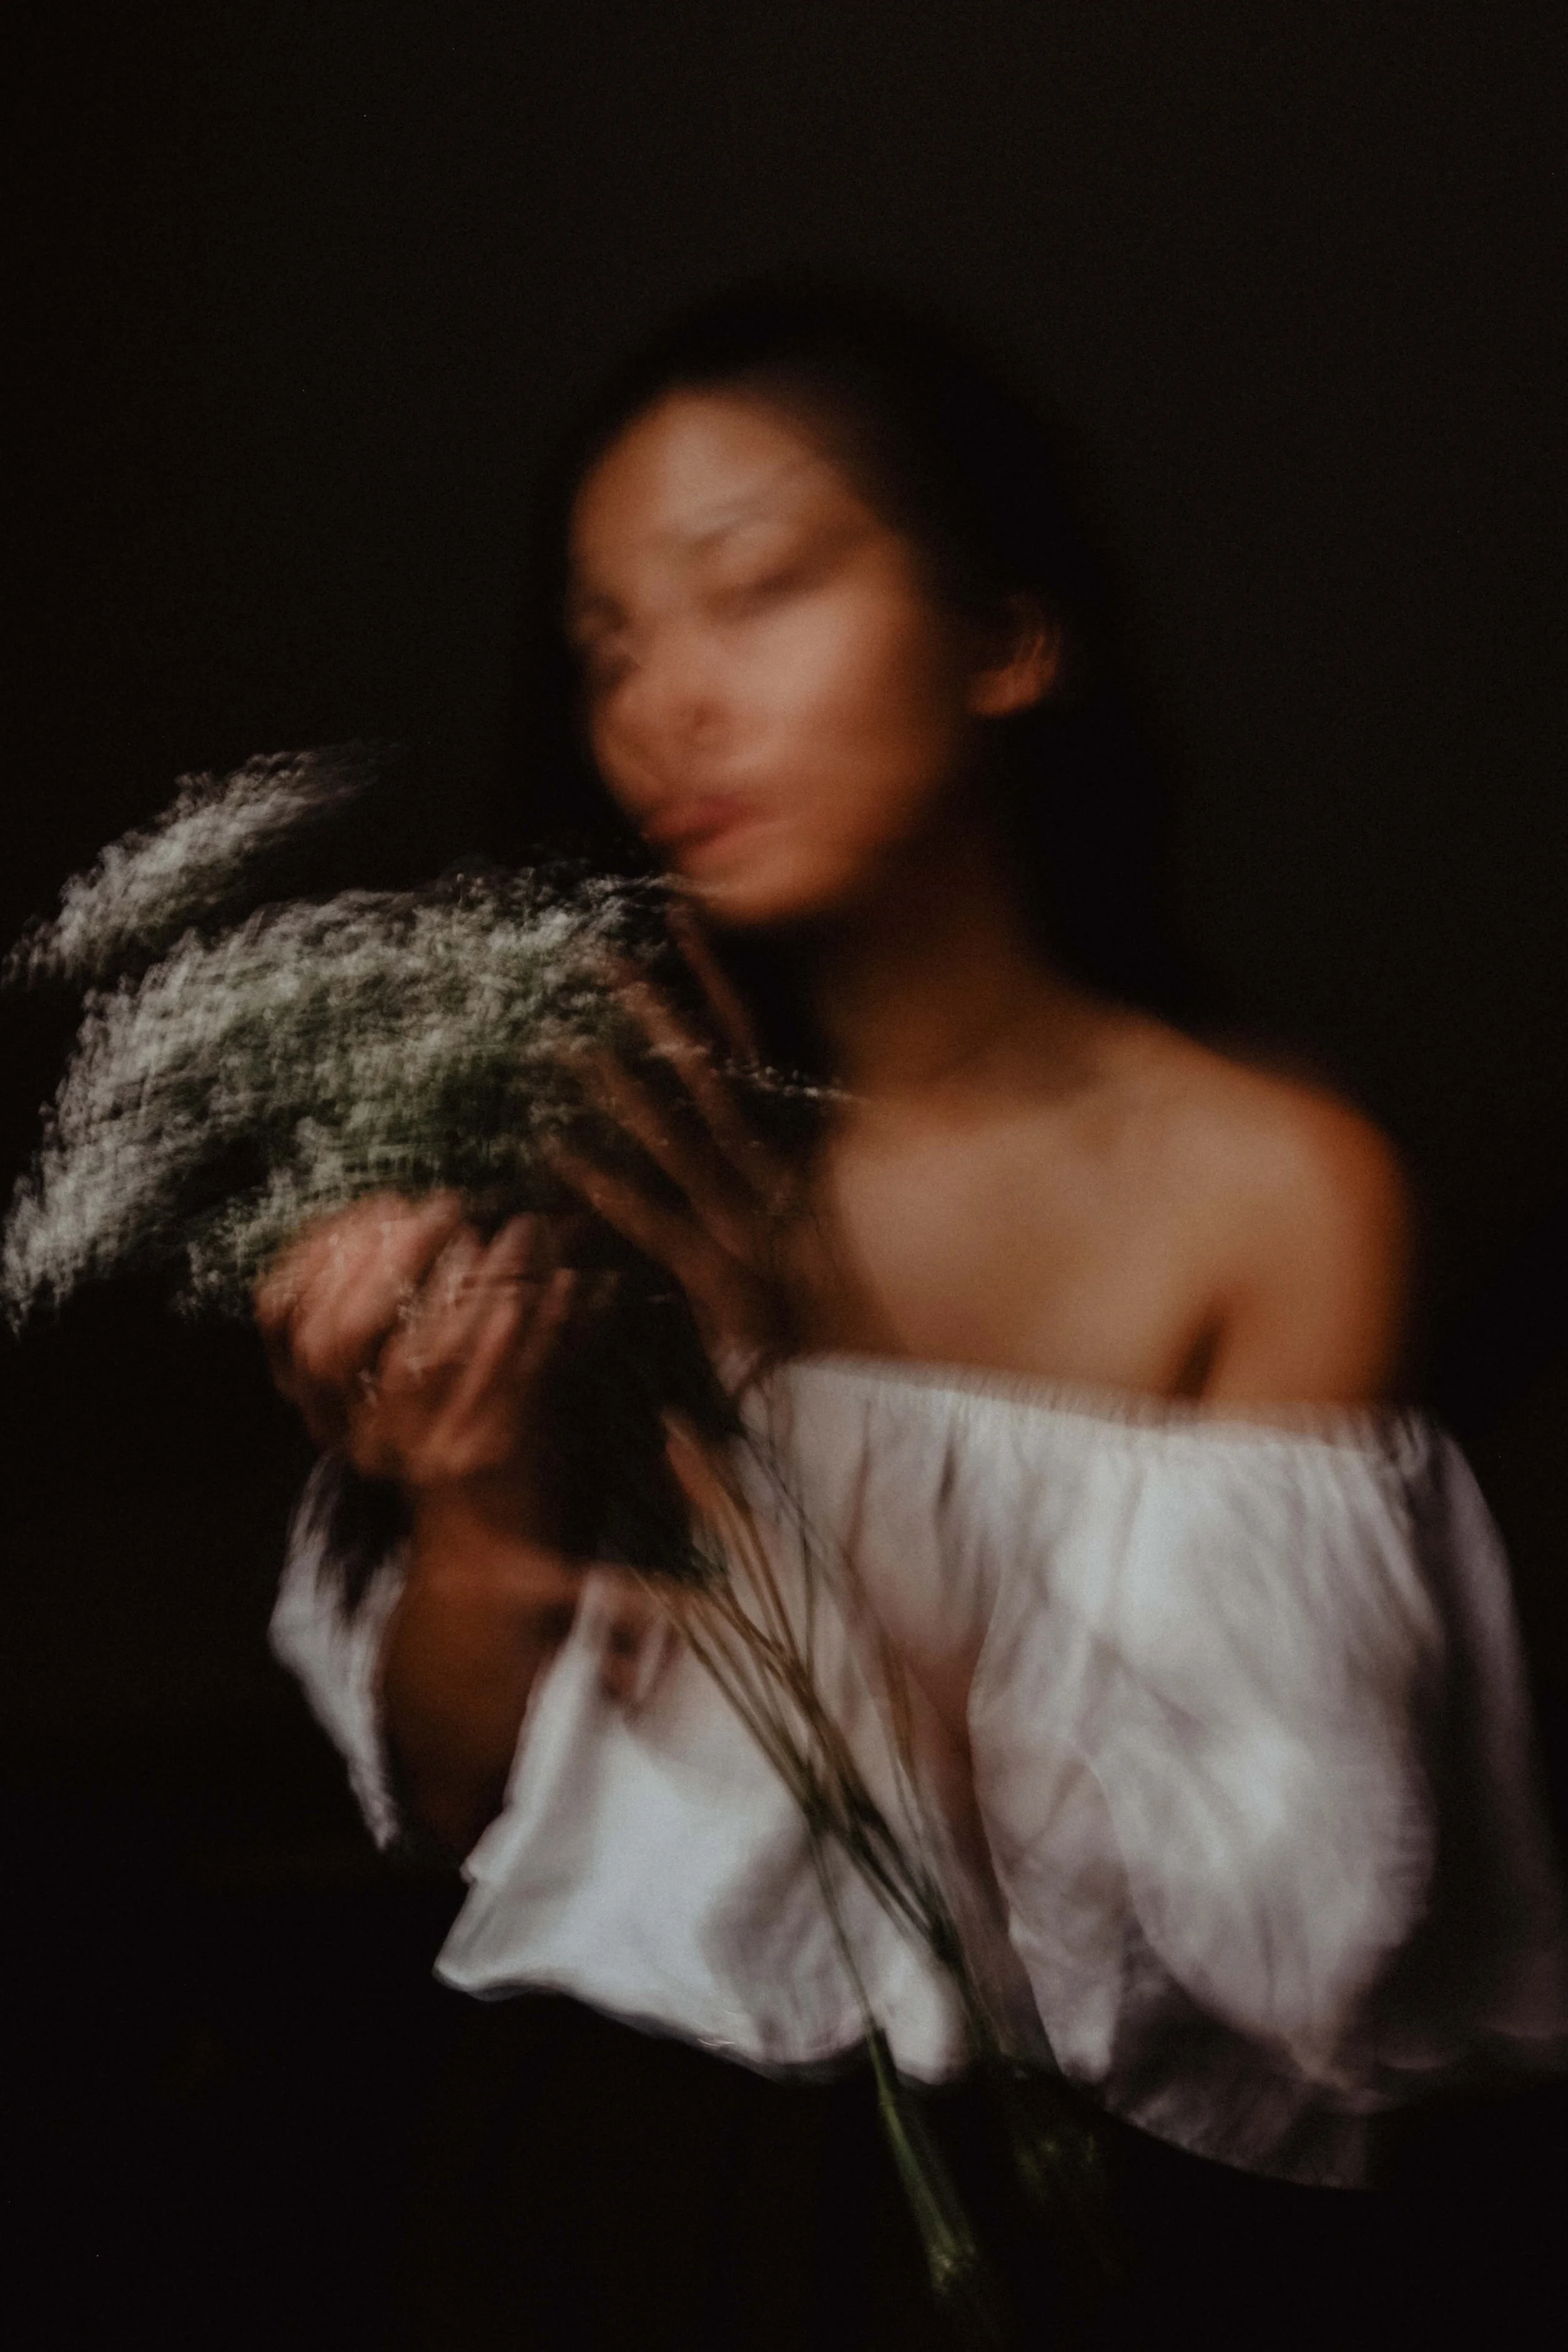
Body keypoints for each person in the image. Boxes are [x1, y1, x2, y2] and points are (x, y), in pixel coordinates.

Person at [259, 280, 1567, 2349]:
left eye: (751, 586)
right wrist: (473, 1504)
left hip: (1050, 2238)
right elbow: (454, 1803)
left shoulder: (1268, 1193)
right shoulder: (598, 1149)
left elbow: (1285, 1949)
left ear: (1005, 639)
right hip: (575, 2181)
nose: (662, 704)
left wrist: (776, 1371)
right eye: (607, 646)